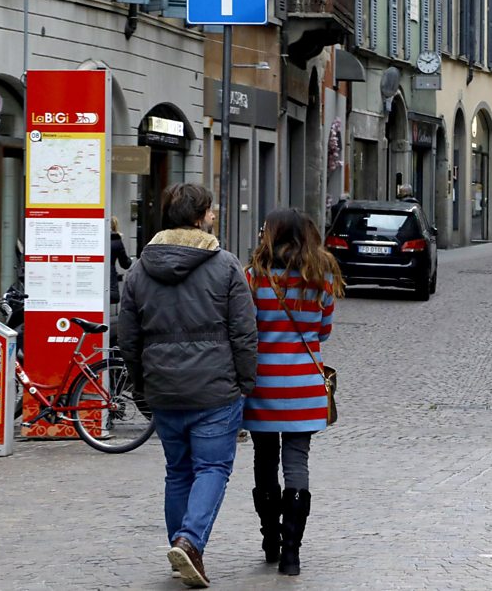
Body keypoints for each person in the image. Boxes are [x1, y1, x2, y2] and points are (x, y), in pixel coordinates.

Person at [117, 183, 258, 588]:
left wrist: (141, 386)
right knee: (212, 467)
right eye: (210, 211)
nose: (214, 216)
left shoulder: (140, 269)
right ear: (199, 217)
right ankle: (189, 542)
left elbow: (128, 337)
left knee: (178, 472)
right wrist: (245, 381)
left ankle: (182, 550)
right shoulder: (225, 265)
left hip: (163, 388)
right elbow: (244, 332)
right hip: (215, 389)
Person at [245, 208, 344, 576]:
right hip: (305, 386)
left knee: (264, 460)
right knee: (297, 463)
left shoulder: (254, 277)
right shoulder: (322, 276)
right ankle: (291, 554)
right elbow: (323, 332)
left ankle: (270, 539)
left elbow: (246, 329)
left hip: (262, 384)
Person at [109, 216, 132, 305]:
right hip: (110, 281)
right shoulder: (117, 241)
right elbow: (125, 264)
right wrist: (130, 260)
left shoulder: (95, 239)